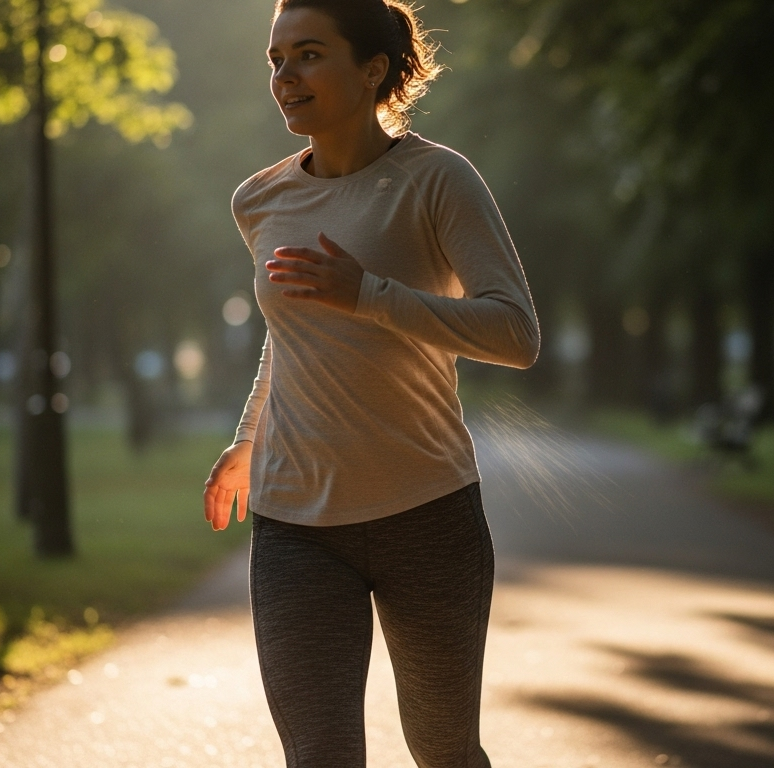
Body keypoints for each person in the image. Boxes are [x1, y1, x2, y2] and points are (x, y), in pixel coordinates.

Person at [201, 0, 539, 765]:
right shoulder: (259, 200)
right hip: (296, 525)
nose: (286, 75)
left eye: (309, 54)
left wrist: (370, 295)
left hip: (426, 513)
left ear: (373, 69)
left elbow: (516, 333)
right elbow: (289, 336)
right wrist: (248, 439)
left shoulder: (438, 180)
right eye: (276, 59)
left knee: (444, 749)